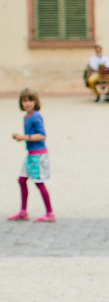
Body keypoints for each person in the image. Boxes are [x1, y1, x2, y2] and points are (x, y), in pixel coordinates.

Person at [8, 89, 54, 223]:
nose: (27, 103)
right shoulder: (27, 116)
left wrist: (24, 137)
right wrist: (21, 138)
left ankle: (50, 213)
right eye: (25, 101)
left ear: (36, 102)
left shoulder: (36, 116)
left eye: (30, 100)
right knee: (22, 180)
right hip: (31, 155)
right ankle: (23, 211)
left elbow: (42, 135)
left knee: (39, 183)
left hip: (38, 155)